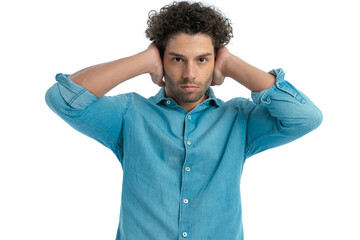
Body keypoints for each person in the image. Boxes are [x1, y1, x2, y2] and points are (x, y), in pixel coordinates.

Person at [45, 1, 322, 239]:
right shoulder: (130, 114)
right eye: (177, 59)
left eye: (202, 60)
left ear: (215, 62)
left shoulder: (239, 118)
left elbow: (306, 117)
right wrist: (143, 61)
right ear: (162, 60)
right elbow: (63, 98)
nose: (190, 73)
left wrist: (232, 65)